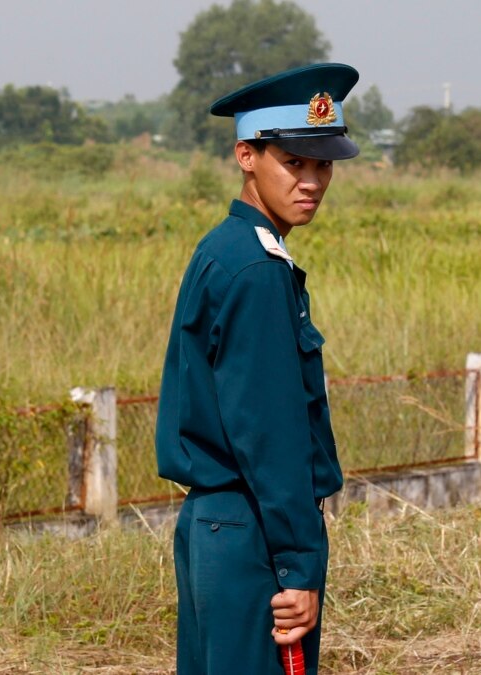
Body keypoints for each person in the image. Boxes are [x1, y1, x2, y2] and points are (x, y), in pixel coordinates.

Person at [154, 63, 359, 674]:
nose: (313, 181)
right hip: (253, 536)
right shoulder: (258, 271)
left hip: (216, 527)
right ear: (247, 155)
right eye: (292, 162)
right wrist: (297, 564)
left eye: (323, 164)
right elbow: (268, 434)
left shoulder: (228, 247)